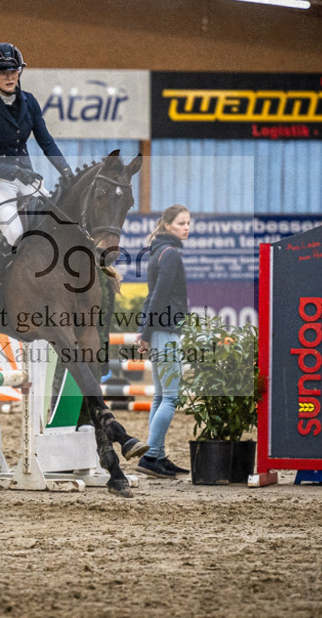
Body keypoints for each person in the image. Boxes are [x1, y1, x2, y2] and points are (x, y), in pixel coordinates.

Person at [0, 42, 71, 319]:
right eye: (3, 72)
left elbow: (46, 141)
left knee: (56, 217)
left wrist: (66, 171)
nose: (10, 75)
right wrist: (15, 172)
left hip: (25, 175)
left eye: (14, 70)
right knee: (16, 234)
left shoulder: (30, 102)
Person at [135, 204, 192, 478]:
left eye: (188, 223)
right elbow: (157, 298)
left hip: (159, 332)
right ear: (168, 225)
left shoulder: (158, 252)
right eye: (181, 223)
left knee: (160, 396)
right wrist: (145, 333)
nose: (186, 228)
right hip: (167, 332)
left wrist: (144, 332)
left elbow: (150, 298)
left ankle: (158, 454)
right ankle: (151, 456)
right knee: (171, 398)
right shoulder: (170, 255)